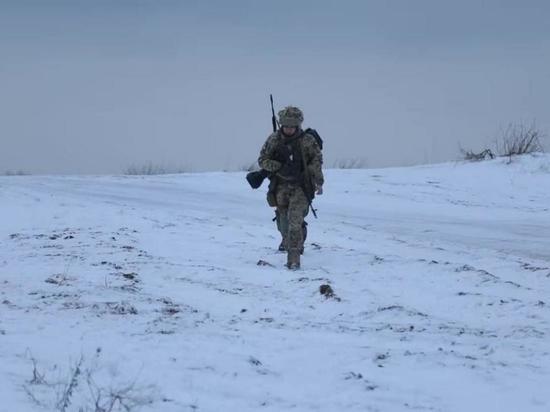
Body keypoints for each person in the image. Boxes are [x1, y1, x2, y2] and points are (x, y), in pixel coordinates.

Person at [258, 106, 324, 270]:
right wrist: (277, 166)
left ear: (298, 125)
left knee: (294, 221)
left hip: (301, 187)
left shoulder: (307, 140)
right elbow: (262, 160)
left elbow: (317, 161)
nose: (288, 129)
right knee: (283, 223)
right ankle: (291, 237)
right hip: (280, 186)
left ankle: (293, 259)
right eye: (286, 126)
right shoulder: (274, 139)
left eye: (292, 126)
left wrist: (318, 182)